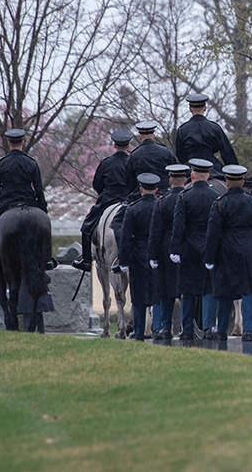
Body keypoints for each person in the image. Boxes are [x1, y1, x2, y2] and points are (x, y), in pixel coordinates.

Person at [204, 164, 252, 341]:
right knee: (248, 290)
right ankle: (248, 330)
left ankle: (221, 330)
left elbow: (213, 232)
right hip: (249, 247)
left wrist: (210, 256)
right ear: (242, 182)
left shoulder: (219, 203)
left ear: (227, 182)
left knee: (225, 291)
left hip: (227, 248)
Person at [0, 128, 49, 272]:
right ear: (23, 142)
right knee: (45, 225)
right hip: (29, 202)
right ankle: (48, 259)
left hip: (6, 202)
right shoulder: (32, 163)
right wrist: (43, 209)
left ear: (8, 143)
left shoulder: (2, 163)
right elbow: (38, 189)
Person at [170, 158, 221, 340]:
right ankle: (208, 327)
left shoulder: (184, 197)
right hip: (209, 247)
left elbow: (179, 226)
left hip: (189, 247)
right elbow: (217, 226)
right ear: (207, 175)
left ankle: (187, 329)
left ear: (191, 175)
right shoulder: (216, 196)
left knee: (188, 290)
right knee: (208, 289)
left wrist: (175, 249)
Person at [72, 129, 133, 272]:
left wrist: (104, 194)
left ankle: (86, 260)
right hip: (128, 200)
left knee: (87, 227)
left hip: (108, 199)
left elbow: (97, 184)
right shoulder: (133, 162)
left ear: (114, 145)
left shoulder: (106, 163)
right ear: (128, 146)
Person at [148, 163, 190, 340]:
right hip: (186, 248)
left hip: (166, 250)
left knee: (165, 291)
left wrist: (153, 255)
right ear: (186, 180)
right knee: (186, 291)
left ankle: (166, 327)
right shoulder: (188, 198)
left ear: (170, 179)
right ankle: (186, 327)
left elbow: (155, 232)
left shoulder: (161, 202)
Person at [118, 173, 161, 341]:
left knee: (138, 295)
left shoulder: (133, 208)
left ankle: (138, 331)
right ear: (156, 189)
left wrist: (123, 261)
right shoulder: (161, 206)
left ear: (141, 189)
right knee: (157, 294)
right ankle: (157, 327)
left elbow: (126, 237)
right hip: (157, 254)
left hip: (138, 254)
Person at [174, 94, 238, 179]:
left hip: (190, 169)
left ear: (190, 109)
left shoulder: (182, 130)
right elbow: (227, 152)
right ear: (205, 108)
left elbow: (179, 153)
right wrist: (235, 172)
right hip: (213, 169)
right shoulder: (215, 128)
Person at [126, 120, 178, 195]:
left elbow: (130, 180)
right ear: (153, 136)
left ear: (140, 137)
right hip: (165, 193)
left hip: (141, 195)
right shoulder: (166, 152)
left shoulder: (134, 155)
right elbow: (175, 170)